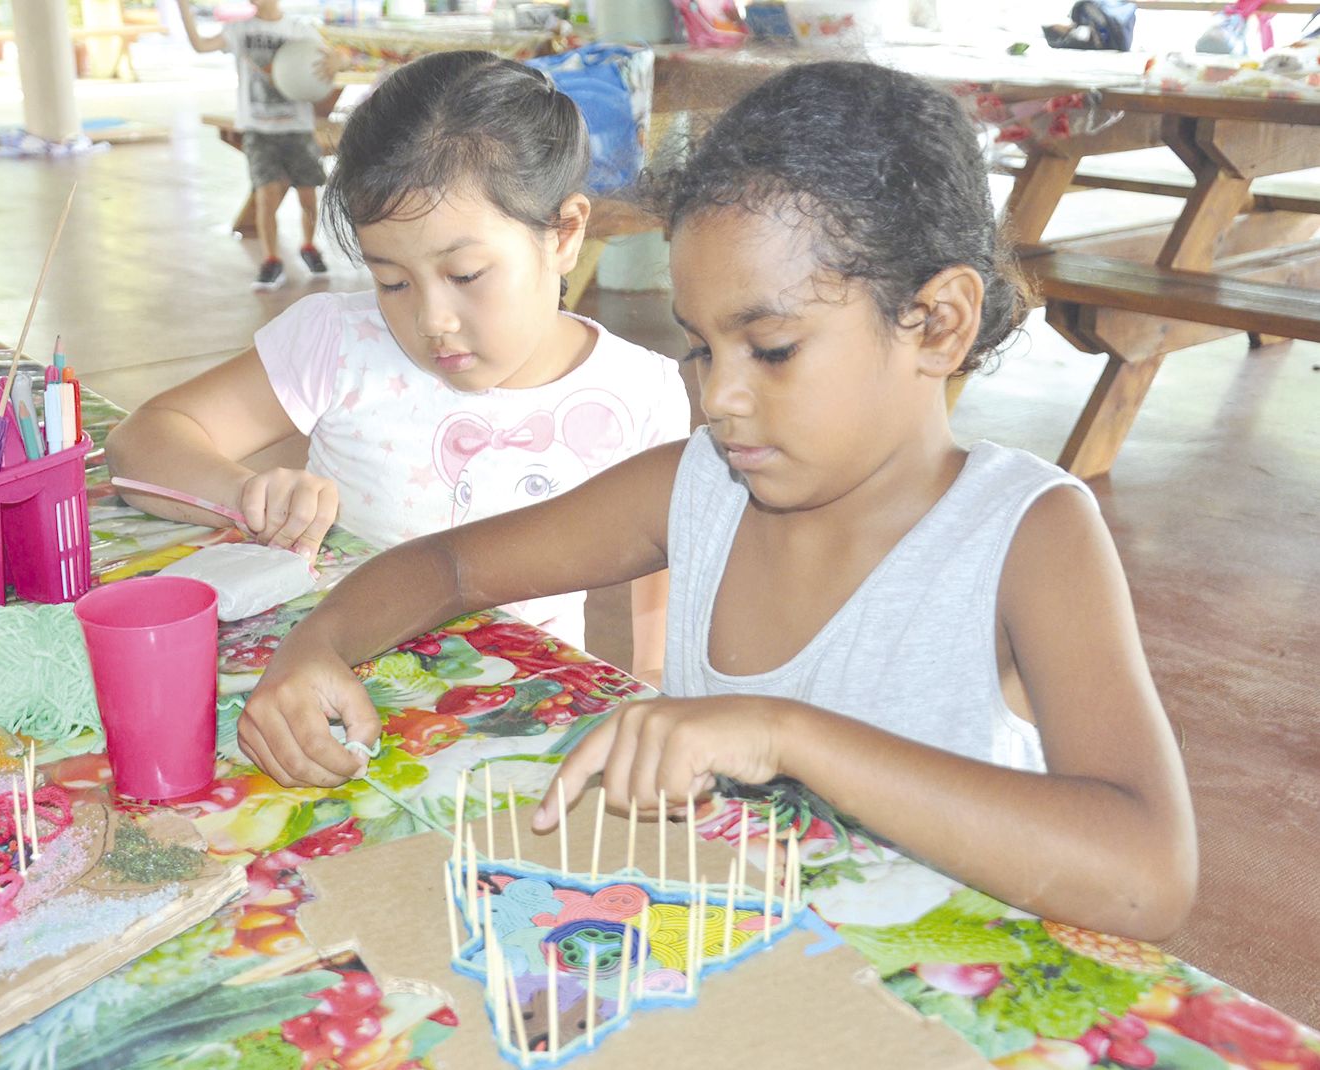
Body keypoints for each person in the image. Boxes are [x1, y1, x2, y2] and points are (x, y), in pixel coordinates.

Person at [232, 61, 1198, 941]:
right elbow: (449, 564)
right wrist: (317, 646)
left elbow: (1147, 877)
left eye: (770, 349)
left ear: (937, 324)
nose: (720, 395)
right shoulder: (695, 489)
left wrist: (783, 733)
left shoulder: (1025, 536)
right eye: (701, 346)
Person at [106, 51, 690, 674]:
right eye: (392, 281)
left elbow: (658, 560)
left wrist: (653, 674)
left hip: (522, 701)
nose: (431, 320)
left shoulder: (640, 394)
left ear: (564, 234)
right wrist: (245, 493)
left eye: (465, 274)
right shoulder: (339, 344)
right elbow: (143, 441)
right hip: (327, 680)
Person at [175, 0, 341, 290]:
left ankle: (309, 246)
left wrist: (339, 61)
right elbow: (200, 45)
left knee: (307, 195)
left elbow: (339, 57)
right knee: (266, 195)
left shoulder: (299, 30)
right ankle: (271, 259)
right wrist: (183, 7)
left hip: (297, 129)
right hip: (259, 131)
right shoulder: (240, 30)